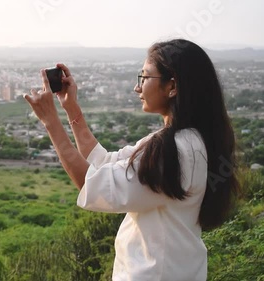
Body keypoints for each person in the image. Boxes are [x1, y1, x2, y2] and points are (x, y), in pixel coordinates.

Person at [23, 39, 240, 281]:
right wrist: (71, 108)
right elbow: (104, 162)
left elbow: (94, 185)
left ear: (173, 86)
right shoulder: (187, 140)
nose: (138, 88)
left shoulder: (175, 150)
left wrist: (51, 122)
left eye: (145, 78)